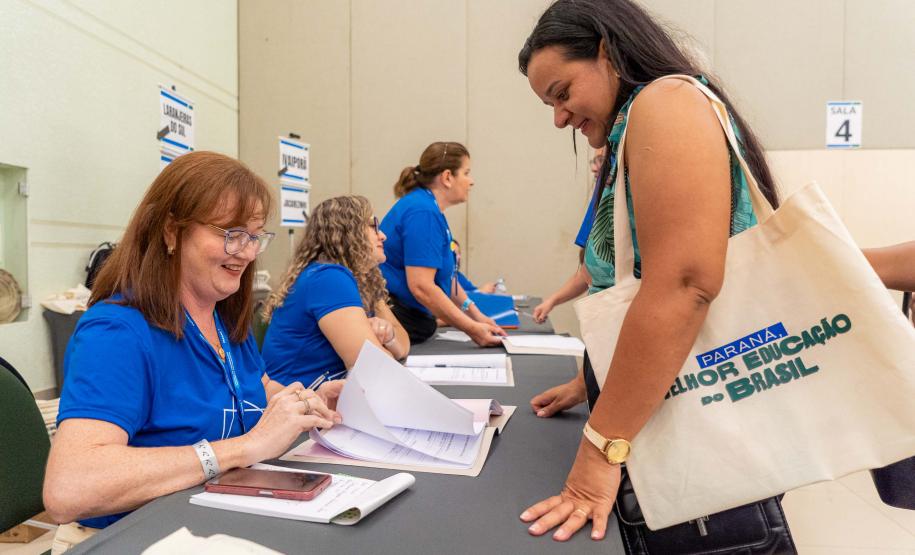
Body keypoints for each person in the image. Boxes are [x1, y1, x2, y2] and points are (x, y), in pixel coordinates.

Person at [516, 0, 782, 542]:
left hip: (690, 446)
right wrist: (594, 380)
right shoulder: (638, 124)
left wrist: (601, 449)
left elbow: (684, 286)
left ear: (607, 53)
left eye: (563, 93)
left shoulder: (665, 103)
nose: (559, 118)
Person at [42, 152, 342, 552]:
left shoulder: (223, 317)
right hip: (129, 537)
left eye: (254, 236)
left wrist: (305, 401)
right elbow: (70, 487)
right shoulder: (117, 332)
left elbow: (256, 388)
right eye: (231, 233)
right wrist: (244, 448)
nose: (247, 252)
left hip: (209, 521)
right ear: (171, 230)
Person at [260, 195, 410, 389]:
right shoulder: (328, 278)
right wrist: (387, 348)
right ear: (349, 232)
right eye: (373, 226)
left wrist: (389, 337)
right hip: (294, 399)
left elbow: (404, 344)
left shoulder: (363, 279)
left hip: (319, 397)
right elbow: (375, 368)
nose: (383, 236)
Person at [381, 141, 506, 346]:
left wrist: (477, 316)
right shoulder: (423, 212)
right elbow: (421, 286)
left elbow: (448, 278)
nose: (471, 181)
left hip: (412, 319)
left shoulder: (429, 208)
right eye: (466, 173)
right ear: (447, 177)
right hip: (400, 318)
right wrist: (472, 329)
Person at [532, 147, 604, 323]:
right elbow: (588, 271)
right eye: (594, 161)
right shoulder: (598, 203)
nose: (594, 168)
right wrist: (552, 301)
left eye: (601, 160)